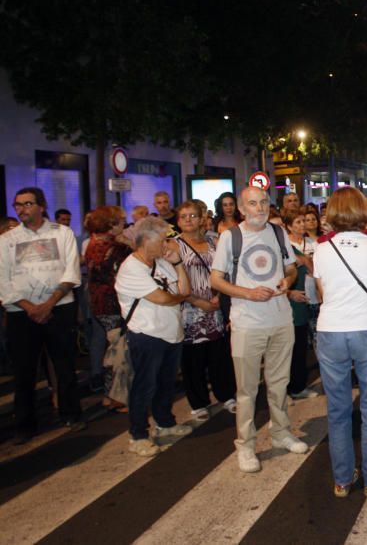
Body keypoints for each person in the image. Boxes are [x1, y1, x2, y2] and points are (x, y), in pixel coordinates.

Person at [210, 187, 308, 474]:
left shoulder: (278, 233)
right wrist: (246, 293)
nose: (260, 207)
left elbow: (291, 268)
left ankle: (280, 432)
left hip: (280, 319)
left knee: (279, 384)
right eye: (253, 203)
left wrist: (287, 281)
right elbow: (216, 279)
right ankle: (246, 444)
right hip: (247, 322)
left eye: (264, 201)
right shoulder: (231, 237)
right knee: (247, 390)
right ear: (242, 209)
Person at [312, 187, 367, 497]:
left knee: (337, 410)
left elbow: (322, 293)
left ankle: (342, 479)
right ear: (364, 210)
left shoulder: (321, 249)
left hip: (331, 330)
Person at [0, 187, 85, 443]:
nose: (22, 209)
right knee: (24, 372)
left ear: (41, 206)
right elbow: (3, 280)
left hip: (59, 309)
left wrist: (49, 304)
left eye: (27, 203)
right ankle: (25, 425)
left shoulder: (62, 233)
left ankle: (71, 413)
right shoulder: (7, 240)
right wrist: (29, 307)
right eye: (17, 205)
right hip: (20, 313)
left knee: (64, 365)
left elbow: (71, 272)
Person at [115, 217, 193, 456]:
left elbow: (185, 289)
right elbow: (164, 298)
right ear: (146, 240)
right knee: (144, 387)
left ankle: (165, 423)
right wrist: (180, 296)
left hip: (171, 333)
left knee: (165, 384)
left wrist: (178, 263)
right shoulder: (130, 268)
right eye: (162, 239)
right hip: (147, 336)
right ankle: (137, 435)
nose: (167, 244)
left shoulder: (163, 262)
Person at [174, 201, 236, 421]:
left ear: (202, 218)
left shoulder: (214, 240)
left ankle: (226, 395)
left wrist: (219, 296)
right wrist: (197, 301)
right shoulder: (174, 245)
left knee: (219, 354)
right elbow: (172, 281)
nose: (188, 220)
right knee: (193, 359)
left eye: (192, 216)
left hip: (216, 305)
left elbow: (225, 269)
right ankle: (198, 402)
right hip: (190, 309)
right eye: (183, 217)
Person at [83, 206, 133, 410]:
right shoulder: (116, 247)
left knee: (111, 348)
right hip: (114, 302)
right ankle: (117, 396)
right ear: (111, 224)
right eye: (121, 221)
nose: (124, 224)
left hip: (98, 303)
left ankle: (109, 395)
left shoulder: (92, 244)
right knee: (119, 351)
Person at [283, 209, 318, 400]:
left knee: (300, 348)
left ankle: (297, 386)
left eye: (303, 221)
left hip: (305, 300)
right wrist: (289, 292)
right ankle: (290, 388)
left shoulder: (306, 245)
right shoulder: (285, 246)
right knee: (291, 348)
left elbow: (313, 268)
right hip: (290, 304)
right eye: (297, 222)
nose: (302, 225)